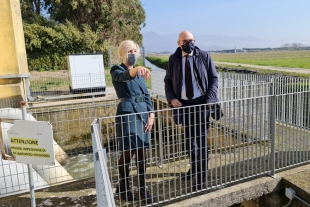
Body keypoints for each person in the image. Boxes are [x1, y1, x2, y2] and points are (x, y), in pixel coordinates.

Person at [164, 30, 219, 190]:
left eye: (192, 40)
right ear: (179, 43)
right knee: (189, 142)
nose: (189, 43)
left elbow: (214, 78)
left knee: (201, 142)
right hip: (184, 106)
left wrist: (210, 99)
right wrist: (171, 98)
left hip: (202, 104)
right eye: (185, 41)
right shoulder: (173, 59)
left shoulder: (204, 56)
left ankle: (201, 178)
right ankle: (194, 168)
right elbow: (167, 81)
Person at [110, 40, 154, 203]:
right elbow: (123, 77)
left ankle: (142, 188)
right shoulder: (116, 69)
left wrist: (151, 114)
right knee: (128, 153)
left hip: (143, 114)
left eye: (135, 51)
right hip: (127, 114)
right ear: (122, 53)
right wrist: (136, 70)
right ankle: (124, 187)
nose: (133, 54)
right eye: (129, 51)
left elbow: (147, 94)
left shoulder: (140, 73)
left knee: (142, 152)